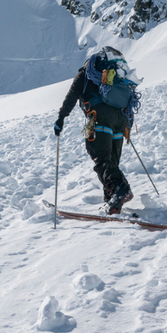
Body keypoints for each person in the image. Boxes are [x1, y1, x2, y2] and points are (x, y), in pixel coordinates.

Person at [53, 46, 140, 214]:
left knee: (101, 158)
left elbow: (72, 95)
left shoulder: (85, 72)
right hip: (120, 120)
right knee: (112, 162)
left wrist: (61, 117)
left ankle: (121, 189)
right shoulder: (115, 73)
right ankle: (113, 198)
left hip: (100, 118)